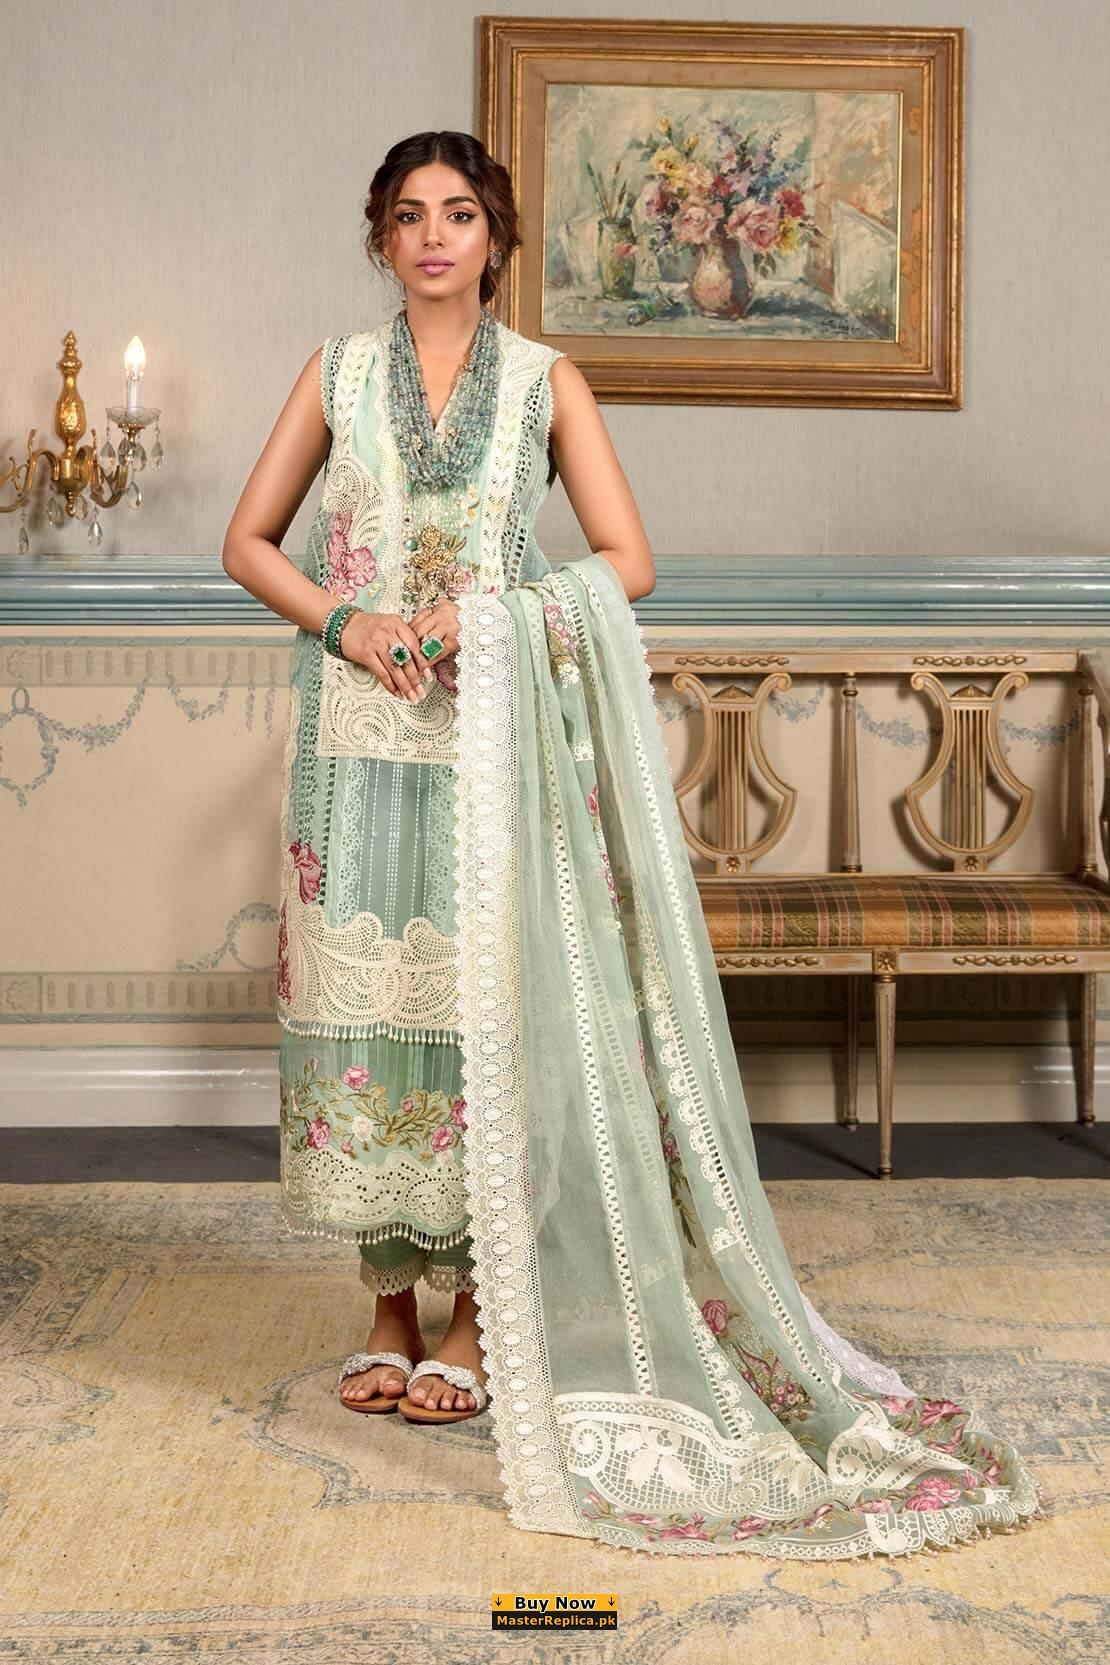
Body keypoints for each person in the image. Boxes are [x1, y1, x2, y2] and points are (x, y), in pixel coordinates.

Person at [222, 130, 1047, 1558]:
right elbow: (248, 542)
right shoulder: (334, 376)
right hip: (354, 746)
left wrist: (488, 616)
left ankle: (478, 1318)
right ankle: (387, 1307)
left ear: (496, 237)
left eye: (459, 213)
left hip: (496, 743)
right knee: (367, 1020)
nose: (434, 236)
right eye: (409, 216)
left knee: (486, 1018)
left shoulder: (545, 383)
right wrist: (349, 622)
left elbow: (628, 560)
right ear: (380, 239)